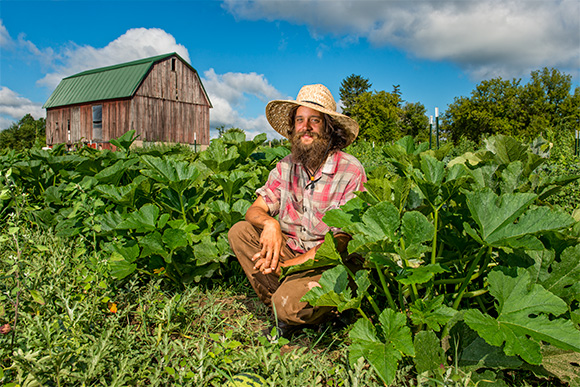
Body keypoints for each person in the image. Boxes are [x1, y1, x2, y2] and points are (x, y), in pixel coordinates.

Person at [228, 84, 366, 337]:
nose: (306, 126)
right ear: (293, 128)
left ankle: (305, 306)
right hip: (292, 252)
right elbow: (256, 209)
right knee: (241, 231)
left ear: (328, 128)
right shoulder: (285, 167)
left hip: (328, 263)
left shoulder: (350, 170)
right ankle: (286, 303)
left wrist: (292, 265)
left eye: (315, 120)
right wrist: (270, 224)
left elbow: (342, 240)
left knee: (288, 305)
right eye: (300, 120)